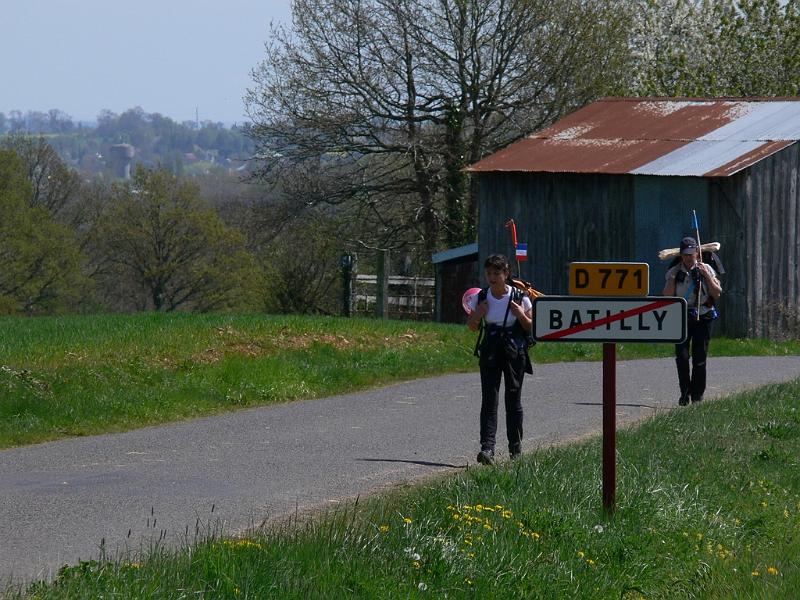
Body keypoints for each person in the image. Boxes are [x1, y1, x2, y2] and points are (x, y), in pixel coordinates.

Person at [466, 254, 533, 465]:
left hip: (514, 351)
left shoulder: (520, 297)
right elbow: (472, 326)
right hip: (491, 349)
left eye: (497, 273)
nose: (492, 277)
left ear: (506, 274)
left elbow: (531, 325)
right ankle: (487, 449)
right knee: (489, 399)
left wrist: (521, 315)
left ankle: (515, 449)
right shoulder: (482, 297)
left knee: (513, 399)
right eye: (489, 273)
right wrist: (478, 313)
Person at [663, 236, 722, 406]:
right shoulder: (675, 271)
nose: (689, 258)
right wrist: (673, 278)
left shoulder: (707, 268)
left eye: (692, 253)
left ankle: (697, 396)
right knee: (681, 357)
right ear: (681, 255)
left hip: (703, 315)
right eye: (686, 254)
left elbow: (717, 293)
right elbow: (667, 295)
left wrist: (706, 276)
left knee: (699, 357)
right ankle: (684, 393)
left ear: (697, 253)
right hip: (681, 317)